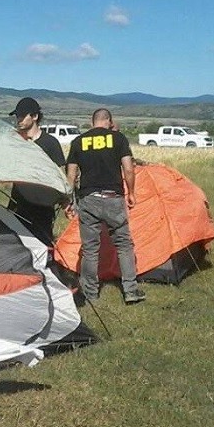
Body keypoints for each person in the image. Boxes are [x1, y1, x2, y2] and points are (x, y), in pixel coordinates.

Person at [65, 108, 145, 304]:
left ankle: (91, 294)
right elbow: (128, 168)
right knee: (124, 245)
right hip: (113, 198)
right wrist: (132, 193)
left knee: (90, 248)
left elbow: (71, 175)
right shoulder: (118, 139)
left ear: (92, 122)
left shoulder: (78, 142)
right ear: (109, 121)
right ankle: (131, 290)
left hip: (89, 199)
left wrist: (68, 201)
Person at [8, 97, 66, 245]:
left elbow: (60, 173)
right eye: (17, 116)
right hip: (18, 203)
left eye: (22, 115)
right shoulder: (15, 142)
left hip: (43, 206)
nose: (18, 119)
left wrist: (65, 198)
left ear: (35, 117)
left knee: (43, 245)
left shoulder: (50, 143)